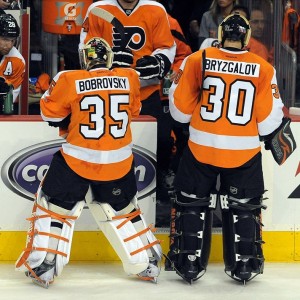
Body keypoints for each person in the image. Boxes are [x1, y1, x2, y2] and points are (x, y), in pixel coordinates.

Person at [15, 37, 162, 288]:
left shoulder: (69, 78)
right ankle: (148, 260)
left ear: (85, 58)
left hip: (78, 160)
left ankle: (45, 265)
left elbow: (48, 113)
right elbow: (134, 110)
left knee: (53, 207)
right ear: (109, 58)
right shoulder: (129, 77)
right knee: (125, 211)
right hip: (119, 162)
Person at [166, 13, 290, 284]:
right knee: (244, 207)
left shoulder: (198, 59)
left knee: (191, 203)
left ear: (220, 34)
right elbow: (269, 120)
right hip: (243, 151)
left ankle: (188, 262)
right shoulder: (263, 67)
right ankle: (244, 264)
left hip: (201, 146)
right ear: (246, 37)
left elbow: (179, 111)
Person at [79, 0, 176, 216]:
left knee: (160, 141)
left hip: (146, 92)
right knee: (111, 144)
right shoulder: (98, 9)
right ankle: (104, 192)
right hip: (109, 92)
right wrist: (109, 65)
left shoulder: (155, 9)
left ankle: (157, 190)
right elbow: (85, 48)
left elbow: (167, 46)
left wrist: (159, 62)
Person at [0, 13, 25, 114]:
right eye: (5, 39)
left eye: (12, 40)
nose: (9, 45)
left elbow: (8, 104)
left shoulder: (18, 61)